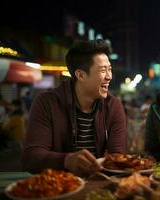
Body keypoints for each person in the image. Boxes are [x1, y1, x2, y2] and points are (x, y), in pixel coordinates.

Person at [22, 39, 127, 176]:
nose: (109, 76)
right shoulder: (46, 103)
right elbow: (31, 158)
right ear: (81, 75)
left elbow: (117, 156)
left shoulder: (113, 106)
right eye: (103, 70)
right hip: (59, 186)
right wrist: (66, 160)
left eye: (110, 69)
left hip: (100, 184)